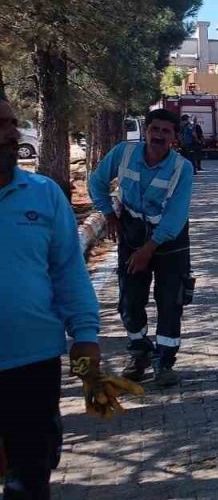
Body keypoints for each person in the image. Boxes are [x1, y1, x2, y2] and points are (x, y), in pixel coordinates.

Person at [0, 96, 101, 500]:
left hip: (34, 364)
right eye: (1, 125)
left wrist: (87, 335)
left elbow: (68, 272)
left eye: (11, 122)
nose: (12, 133)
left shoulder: (43, 195)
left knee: (30, 476)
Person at [88, 108, 194, 388]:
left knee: (171, 300)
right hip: (132, 231)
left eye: (166, 131)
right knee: (130, 300)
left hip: (170, 240)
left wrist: (149, 249)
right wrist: (109, 214)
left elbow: (175, 215)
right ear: (146, 131)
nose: (159, 135)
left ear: (174, 137)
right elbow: (96, 182)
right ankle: (139, 352)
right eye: (154, 129)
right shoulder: (123, 153)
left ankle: (164, 362)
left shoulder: (182, 168)